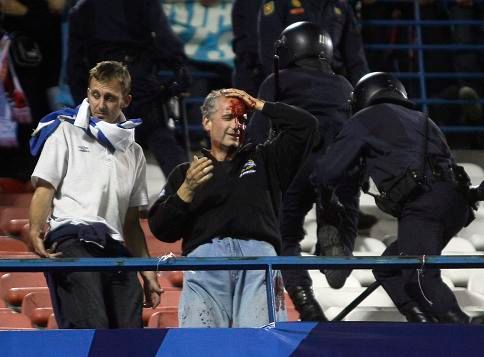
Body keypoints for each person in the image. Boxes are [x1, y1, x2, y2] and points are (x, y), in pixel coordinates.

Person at [312, 72, 476, 323]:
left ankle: (464, 331)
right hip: (457, 204)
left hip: (424, 204)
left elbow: (327, 173)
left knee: (418, 276)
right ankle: (421, 323)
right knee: (387, 267)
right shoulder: (424, 120)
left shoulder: (366, 118)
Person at [148, 88, 318, 327]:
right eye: (229, 117)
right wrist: (186, 190)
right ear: (207, 122)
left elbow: (306, 126)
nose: (237, 125)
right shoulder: (185, 173)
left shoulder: (267, 159)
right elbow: (161, 229)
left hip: (259, 262)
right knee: (203, 348)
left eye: (242, 119)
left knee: (260, 346)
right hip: (205, 264)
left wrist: (260, 105)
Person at [29, 61, 162, 329]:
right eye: (95, 95)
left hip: (114, 247)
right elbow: (46, 188)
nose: (100, 105)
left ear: (126, 100)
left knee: (129, 329)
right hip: (72, 240)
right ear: (88, 93)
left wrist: (148, 273)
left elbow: (131, 223)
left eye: (110, 98)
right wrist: (34, 230)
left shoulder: (133, 152)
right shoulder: (65, 131)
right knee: (92, 323)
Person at [247, 21, 359, 321]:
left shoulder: (277, 82)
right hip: (341, 164)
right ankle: (337, 249)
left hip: (296, 163)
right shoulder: (345, 85)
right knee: (344, 213)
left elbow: (257, 133)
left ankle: (305, 300)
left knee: (285, 234)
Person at [68, 0, 191, 177]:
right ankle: (188, 192)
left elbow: (75, 64)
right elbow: (165, 40)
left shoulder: (82, 9)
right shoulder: (143, 3)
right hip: (138, 79)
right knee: (159, 137)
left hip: (103, 84)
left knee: (105, 146)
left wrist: (83, 101)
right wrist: (178, 65)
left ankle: (105, 199)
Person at [257, 0, 369, 86]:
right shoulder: (278, 3)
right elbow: (270, 53)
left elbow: (356, 58)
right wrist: (281, 87)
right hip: (292, 83)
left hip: (333, 83)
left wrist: (362, 91)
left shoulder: (341, 5)